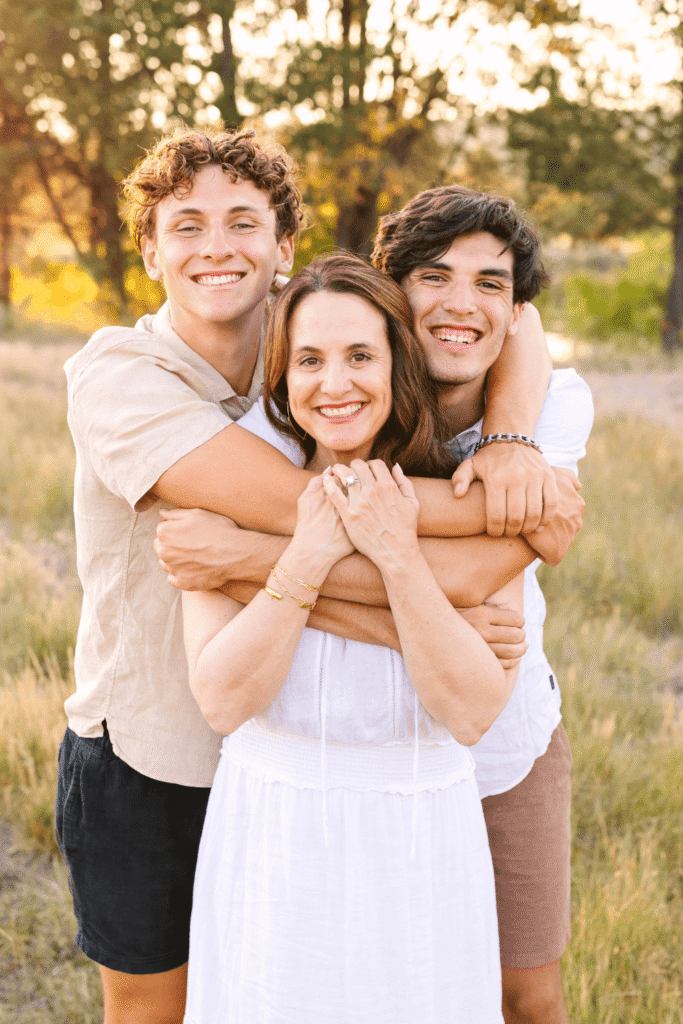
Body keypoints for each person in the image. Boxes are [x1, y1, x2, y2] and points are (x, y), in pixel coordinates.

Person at [56, 124, 582, 1024]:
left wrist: (510, 440)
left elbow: (516, 318)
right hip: (150, 742)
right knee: (158, 1010)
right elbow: (316, 505)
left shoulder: (315, 336)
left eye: (242, 223)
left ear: (283, 247)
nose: (216, 247)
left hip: (292, 746)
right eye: (185, 225)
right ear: (147, 250)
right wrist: (499, 522)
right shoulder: (122, 377)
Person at [182, 253, 520, 1023]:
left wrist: (397, 554)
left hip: (418, 839)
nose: (334, 385)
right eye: (309, 360)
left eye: (360, 356)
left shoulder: (476, 503)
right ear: (284, 377)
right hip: (273, 835)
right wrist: (304, 553)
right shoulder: (230, 498)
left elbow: (469, 713)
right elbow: (223, 699)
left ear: (398, 364)